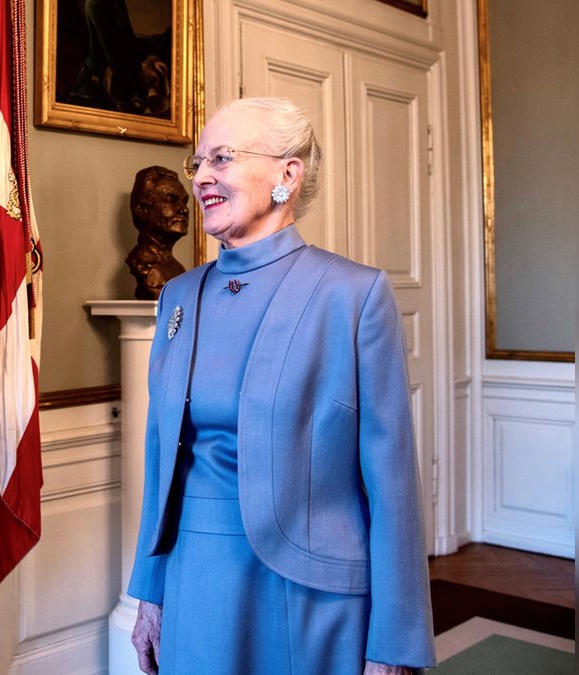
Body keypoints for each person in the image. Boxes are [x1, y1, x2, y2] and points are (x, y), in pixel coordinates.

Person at [127, 97, 435, 674]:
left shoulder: (354, 296)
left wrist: (395, 640)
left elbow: (391, 481)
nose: (201, 178)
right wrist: (150, 592)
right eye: (197, 163)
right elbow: (160, 461)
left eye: (222, 158)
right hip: (196, 581)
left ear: (287, 174)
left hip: (311, 595)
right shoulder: (178, 298)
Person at [126, 165, 189, 300]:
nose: (184, 209)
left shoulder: (177, 268)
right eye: (171, 200)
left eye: (184, 202)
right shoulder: (149, 270)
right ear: (142, 210)